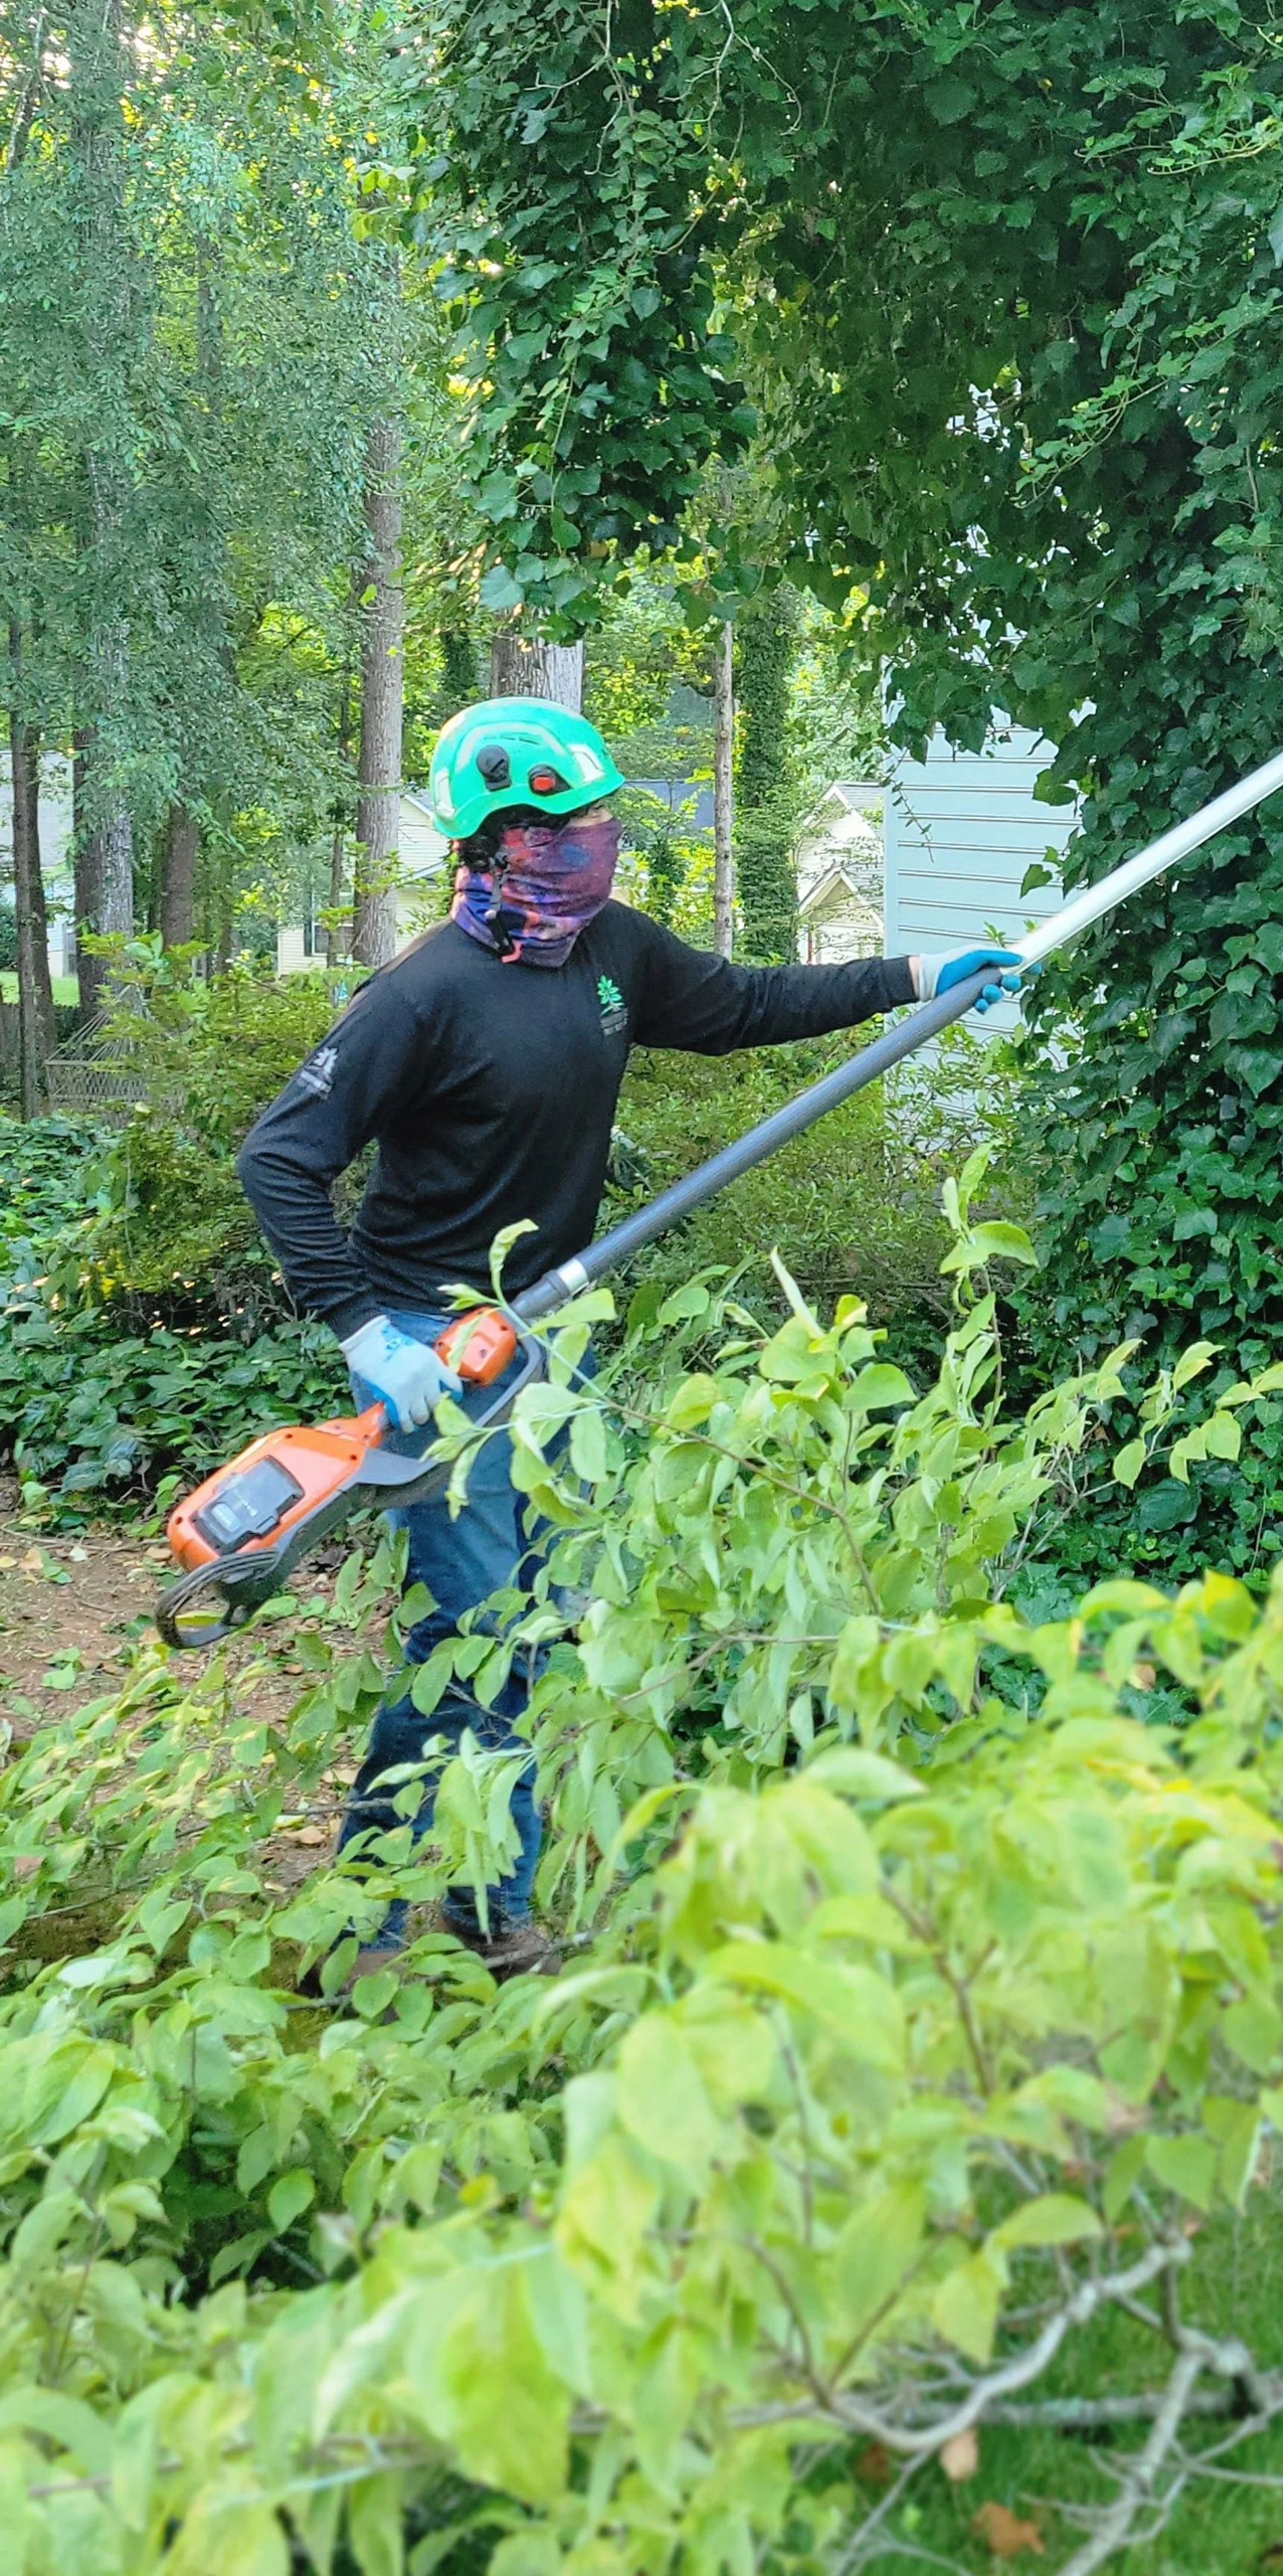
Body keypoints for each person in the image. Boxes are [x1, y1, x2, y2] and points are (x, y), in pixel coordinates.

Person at [237, 693, 1020, 1979]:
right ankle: (377, 1911)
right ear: (483, 847)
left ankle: (483, 1900)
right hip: (442, 1352)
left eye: (597, 821)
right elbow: (279, 1155)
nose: (587, 845)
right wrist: (366, 1332)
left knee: (532, 1622)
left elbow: (749, 1000)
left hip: (558, 1341)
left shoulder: (607, 954)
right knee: (486, 1618)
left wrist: (921, 976)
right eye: (553, 828)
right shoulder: (422, 995)